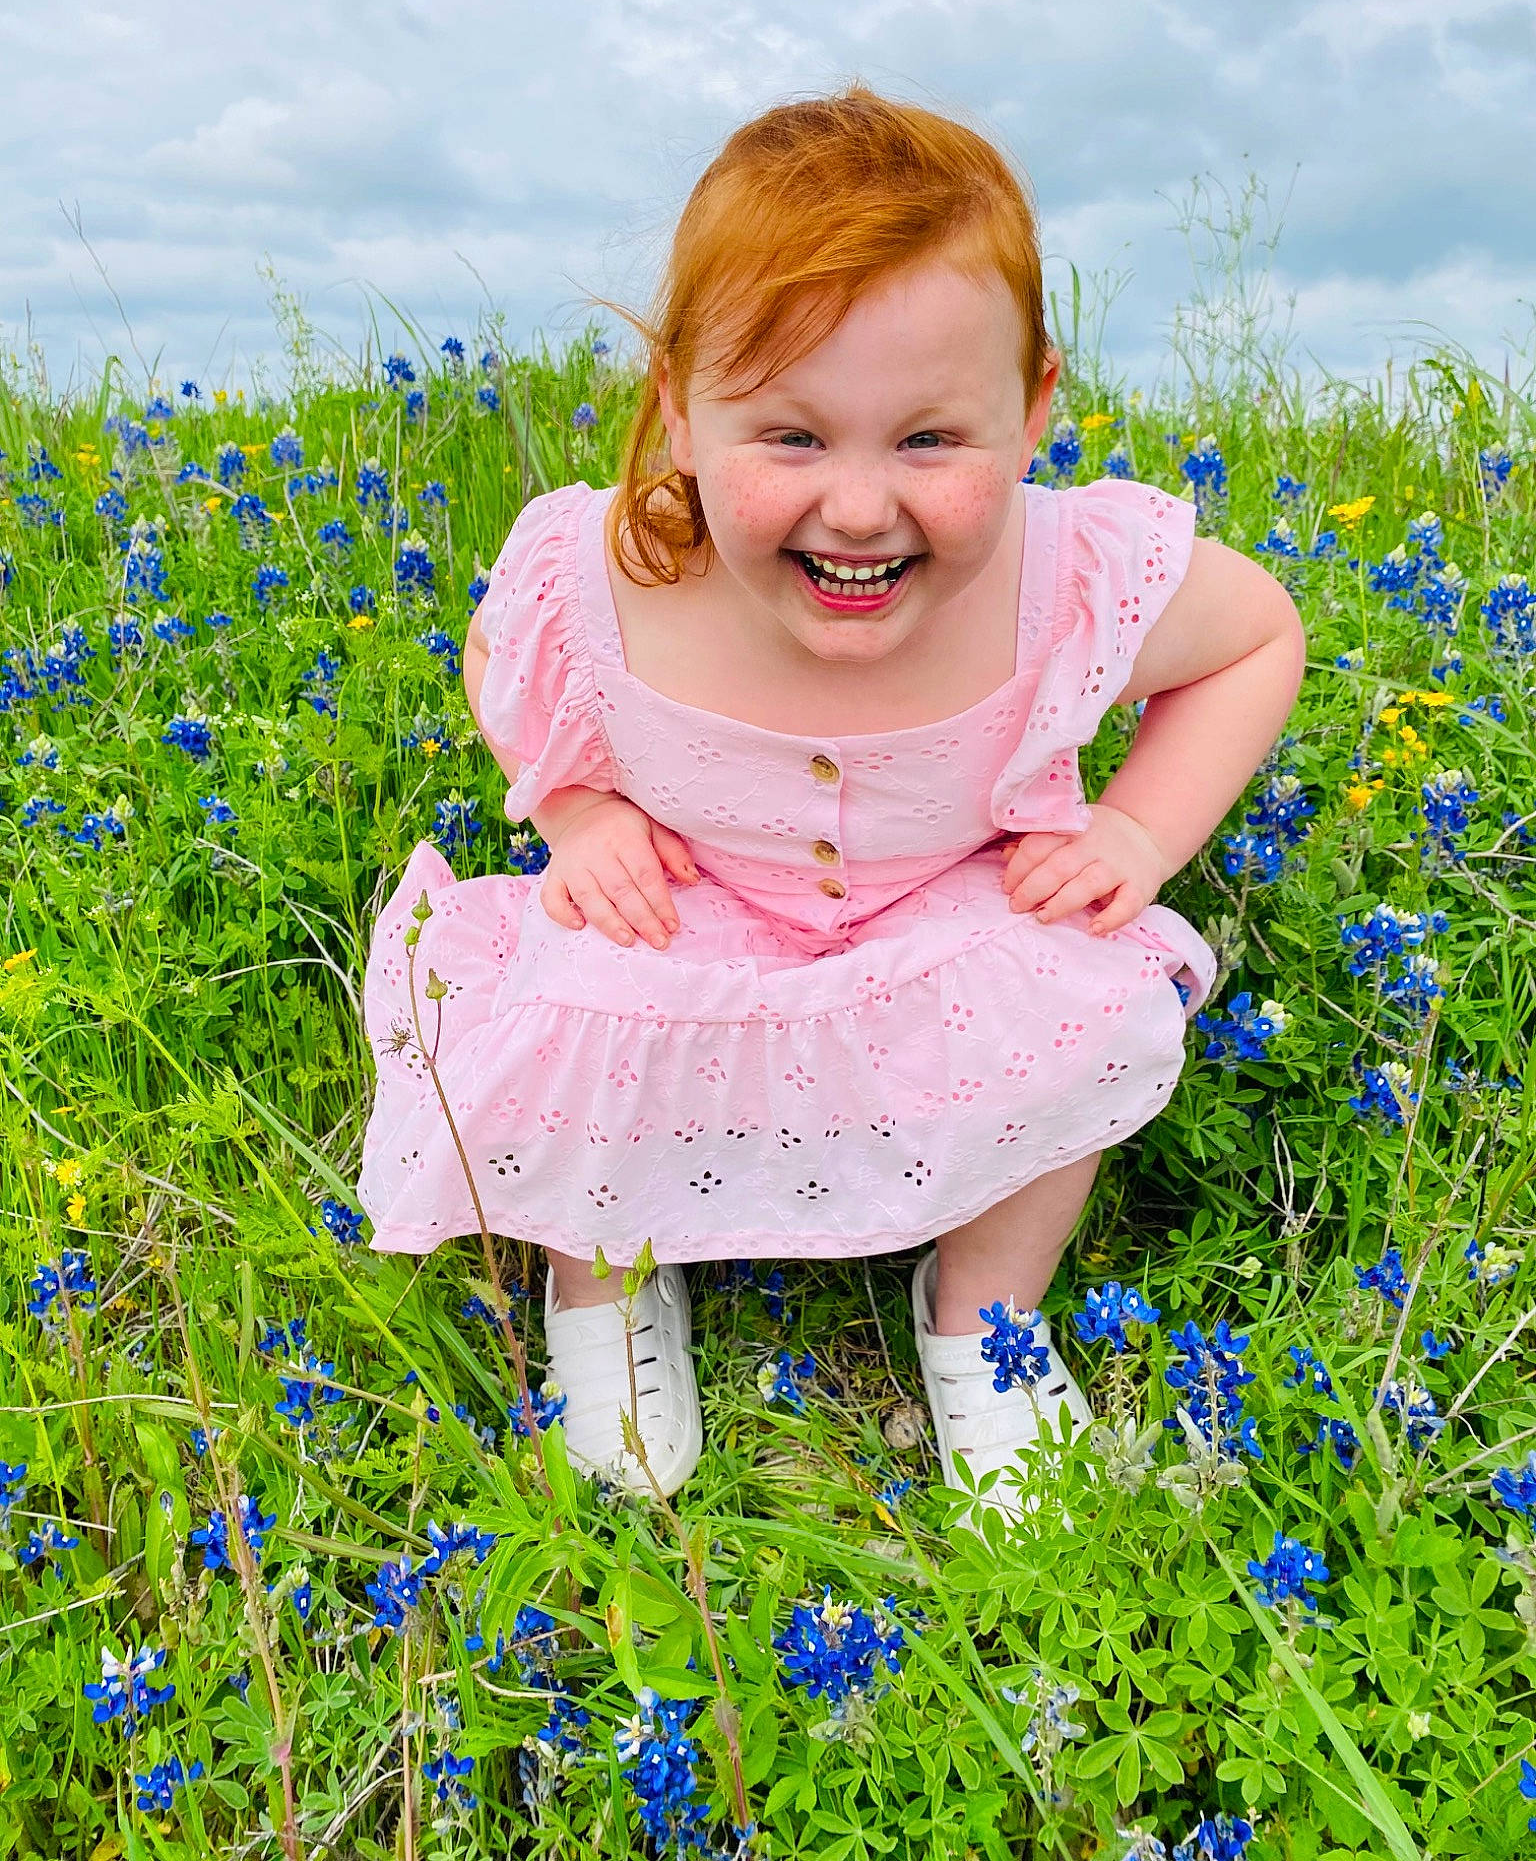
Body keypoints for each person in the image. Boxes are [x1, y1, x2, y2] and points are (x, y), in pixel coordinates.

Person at [357, 81, 1306, 1527]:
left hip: (946, 905)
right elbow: (508, 662)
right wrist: (580, 816)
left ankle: (981, 1311)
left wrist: (1134, 832)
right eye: (790, 438)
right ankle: (604, 1277)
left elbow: (1257, 635)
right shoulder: (610, 577)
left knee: (1080, 995)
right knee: (581, 1005)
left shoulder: (1063, 574)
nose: (859, 508)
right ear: (678, 410)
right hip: (696, 908)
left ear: (1034, 407)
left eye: (931, 441)